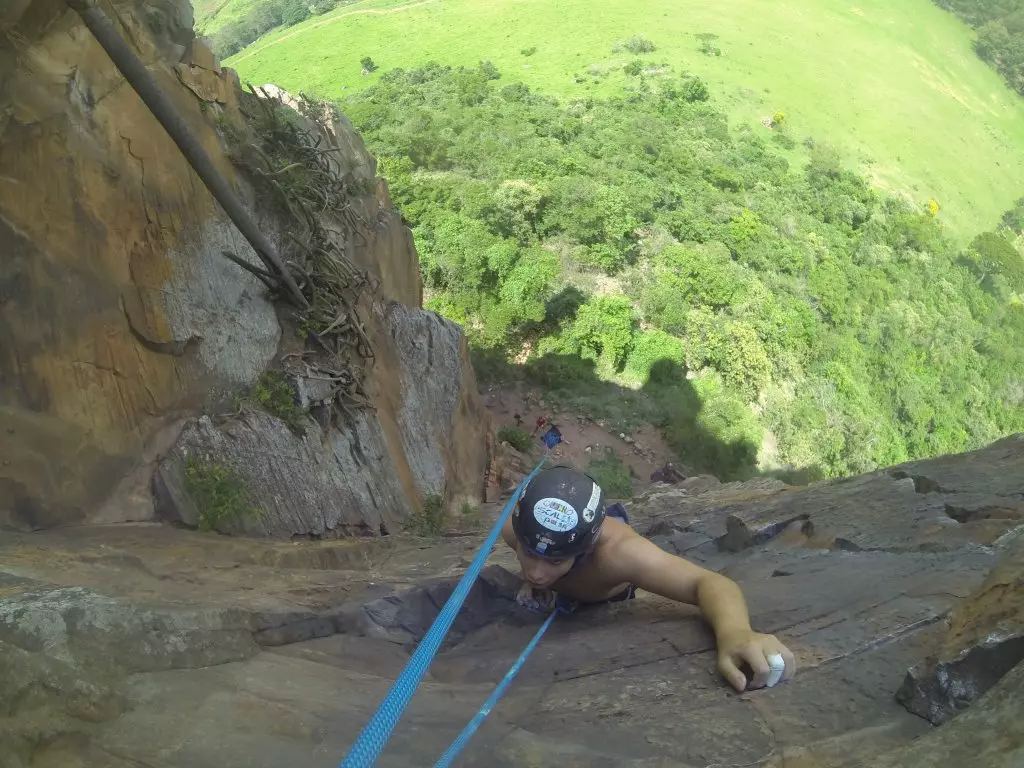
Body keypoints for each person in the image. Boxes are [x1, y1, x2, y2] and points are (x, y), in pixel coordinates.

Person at [501, 465, 796, 693]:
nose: (537, 571)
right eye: (528, 554)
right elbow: (537, 556)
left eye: (555, 560)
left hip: (609, 590)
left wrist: (736, 633)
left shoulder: (623, 555)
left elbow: (707, 583)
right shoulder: (514, 530)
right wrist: (536, 579)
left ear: (587, 546)